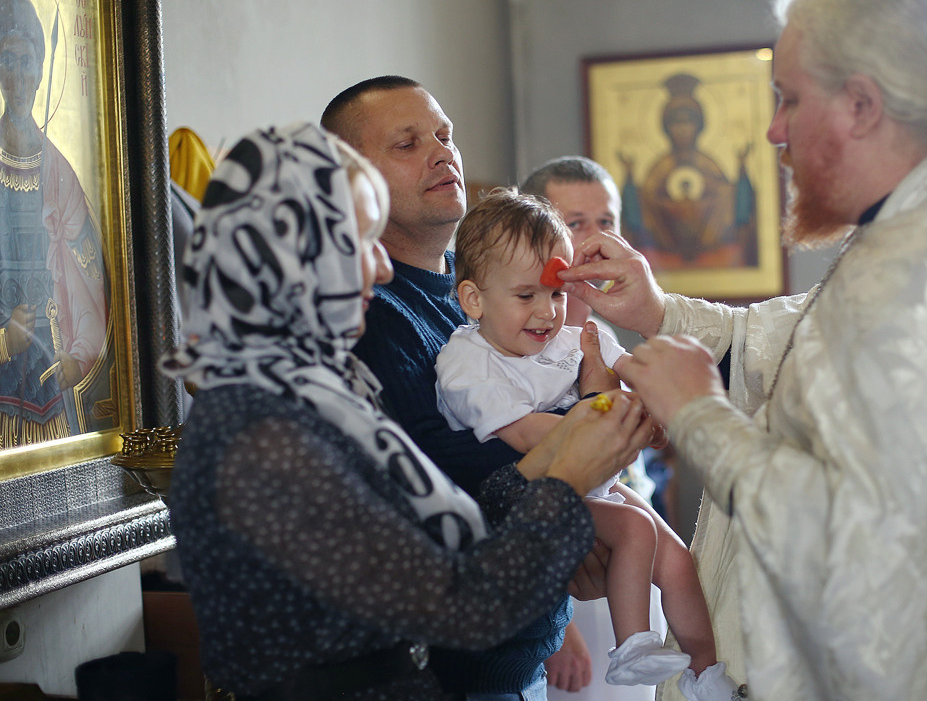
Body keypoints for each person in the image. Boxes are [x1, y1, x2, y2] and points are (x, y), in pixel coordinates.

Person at [558, 0, 927, 699]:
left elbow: (854, 537)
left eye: (790, 99)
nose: (775, 130)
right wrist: (657, 312)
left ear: (861, 105)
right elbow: (797, 339)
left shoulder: (913, 270)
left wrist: (699, 416)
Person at [161, 122, 654, 700]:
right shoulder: (261, 431)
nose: (381, 267)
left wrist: (554, 476)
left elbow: (435, 529)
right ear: (287, 255)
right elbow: (459, 605)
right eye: (358, 242)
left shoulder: (314, 391)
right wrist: (564, 481)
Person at [321, 76, 581, 700]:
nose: (442, 153)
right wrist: (580, 449)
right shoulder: (368, 314)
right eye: (407, 143)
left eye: (444, 135)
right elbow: (439, 472)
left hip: (518, 651)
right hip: (447, 671)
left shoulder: (482, 297)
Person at [434, 189, 734, 699]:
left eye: (555, 294)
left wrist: (655, 410)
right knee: (636, 528)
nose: (546, 313)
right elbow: (524, 433)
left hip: (598, 482)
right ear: (473, 299)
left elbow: (634, 374)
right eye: (526, 296)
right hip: (536, 499)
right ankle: (632, 644)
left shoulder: (572, 337)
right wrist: (610, 420)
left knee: (679, 560)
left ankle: (706, 673)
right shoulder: (467, 362)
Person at [520, 155, 665, 701]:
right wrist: (554, 625)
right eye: (575, 223)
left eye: (606, 222)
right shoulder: (509, 342)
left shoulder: (606, 337)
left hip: (628, 567)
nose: (594, 241)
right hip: (562, 585)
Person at [0, 0, 108, 445]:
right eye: (7, 60)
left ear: (41, 71)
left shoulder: (59, 175)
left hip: (49, 376)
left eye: (27, 62)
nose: (18, 76)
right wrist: (4, 340)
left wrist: (77, 357)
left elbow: (87, 281)